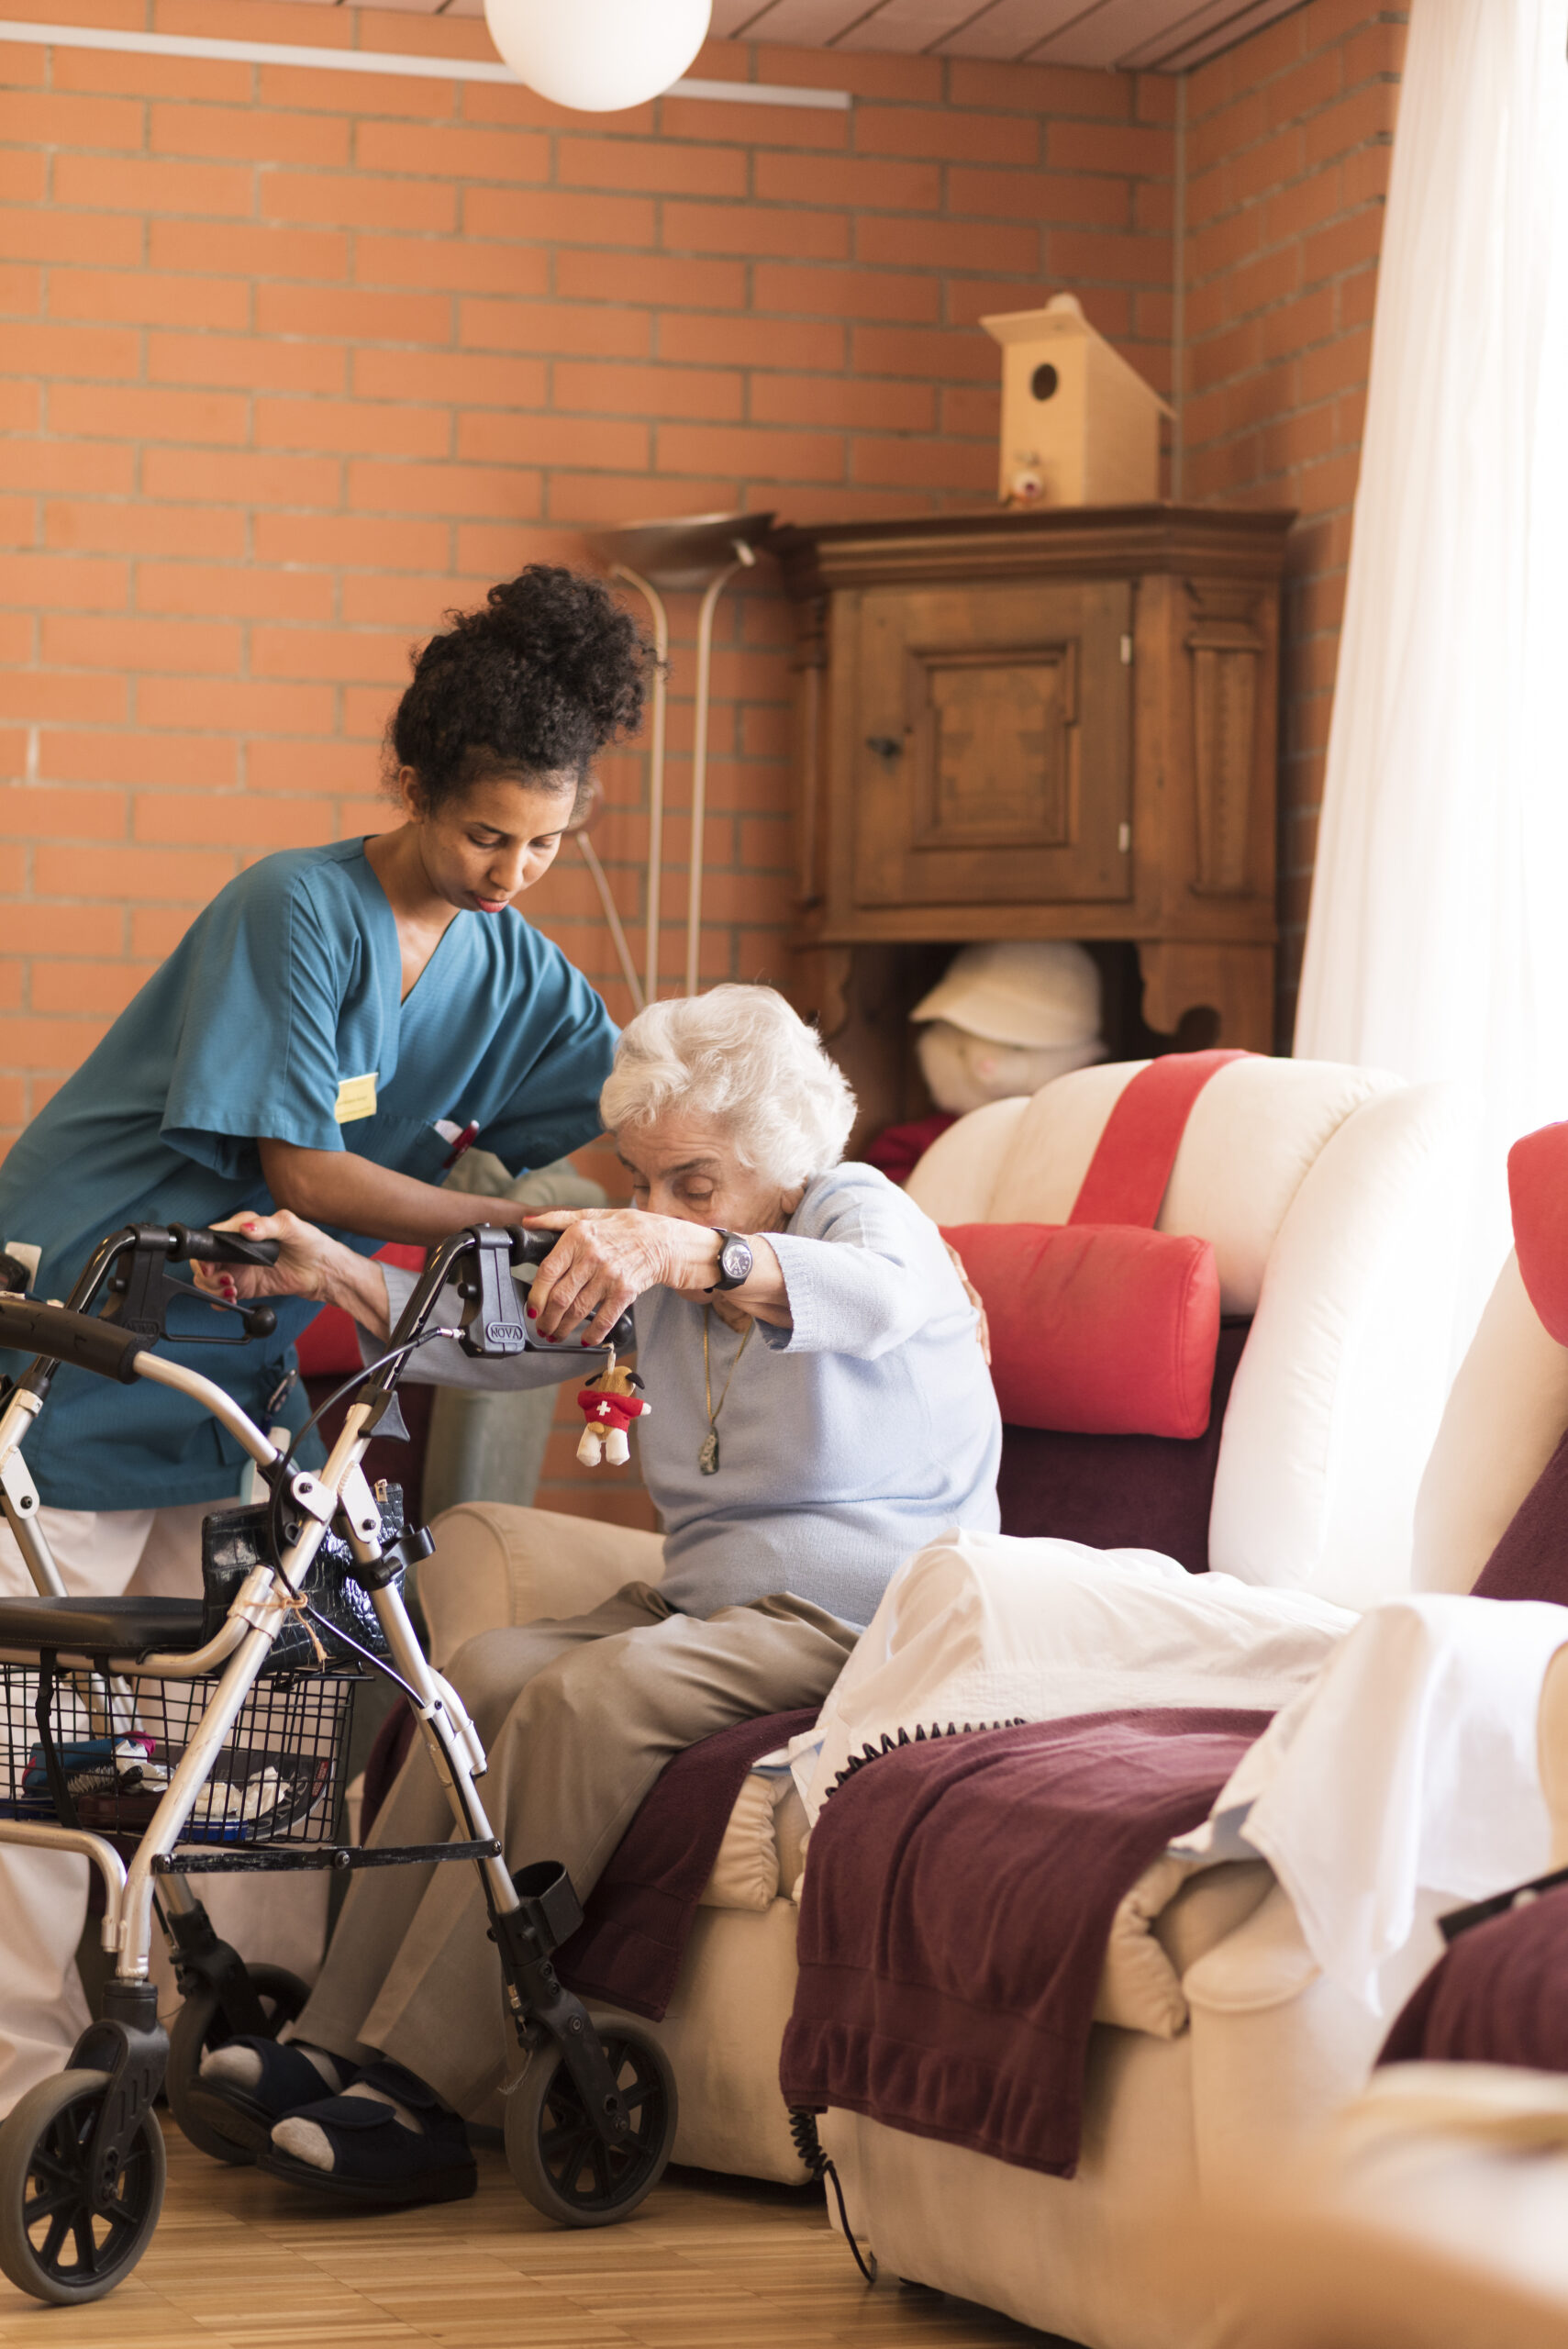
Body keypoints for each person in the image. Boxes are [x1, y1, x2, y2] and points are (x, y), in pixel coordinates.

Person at [0, 565, 651, 2110]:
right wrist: (512, 1226)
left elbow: (631, 1119)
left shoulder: (519, 971)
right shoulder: (291, 907)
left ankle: (234, 2039)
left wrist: (669, 1215)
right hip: (76, 1329)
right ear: (413, 784)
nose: (512, 871)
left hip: (234, 1369)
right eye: (486, 832)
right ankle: (27, 2076)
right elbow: (304, 1177)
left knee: (256, 1713)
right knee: (44, 1726)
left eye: (548, 843)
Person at [194, 985, 1002, 2204]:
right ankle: (329, 2040)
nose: (653, 1208)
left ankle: (423, 2090)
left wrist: (698, 1248)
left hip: (867, 1613)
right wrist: (329, 1269)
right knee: (476, 1676)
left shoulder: (860, 1216)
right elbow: (487, 1334)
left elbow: (884, 1297)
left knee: (589, 1696)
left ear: (774, 1162)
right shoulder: (665, 1252)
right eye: (641, 1178)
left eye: (693, 1179)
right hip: (709, 1604)